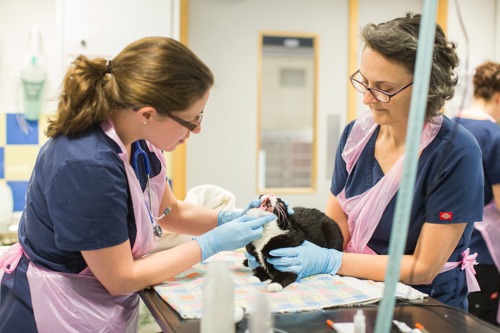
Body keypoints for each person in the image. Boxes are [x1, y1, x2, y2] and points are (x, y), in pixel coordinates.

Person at [0, 36, 275, 332]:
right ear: (147, 114)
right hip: (56, 310)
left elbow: (170, 211)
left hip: (99, 305)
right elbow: (120, 277)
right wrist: (211, 243)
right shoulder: (86, 166)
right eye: (191, 120)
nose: (197, 129)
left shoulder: (140, 141)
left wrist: (226, 220)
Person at [263, 13, 485, 310]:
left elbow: (423, 267)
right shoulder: (357, 136)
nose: (367, 99)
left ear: (425, 87)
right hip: (355, 292)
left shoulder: (455, 152)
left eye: (383, 88)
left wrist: (333, 261)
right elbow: (335, 230)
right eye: (364, 82)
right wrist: (284, 238)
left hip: (427, 304)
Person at [454, 61, 500, 325]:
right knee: (480, 323)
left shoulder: (448, 125)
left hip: (444, 247)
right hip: (481, 251)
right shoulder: (494, 135)